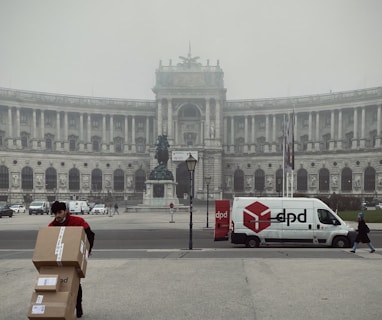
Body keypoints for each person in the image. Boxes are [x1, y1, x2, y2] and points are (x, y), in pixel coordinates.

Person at [49, 201, 95, 318]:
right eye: (55, 213)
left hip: (74, 258)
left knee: (75, 284)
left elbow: (90, 234)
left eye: (59, 212)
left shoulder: (77, 221)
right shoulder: (51, 226)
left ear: (65, 211)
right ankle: (61, 308)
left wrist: (87, 251)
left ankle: (78, 306)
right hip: (59, 259)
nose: (57, 216)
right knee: (59, 284)